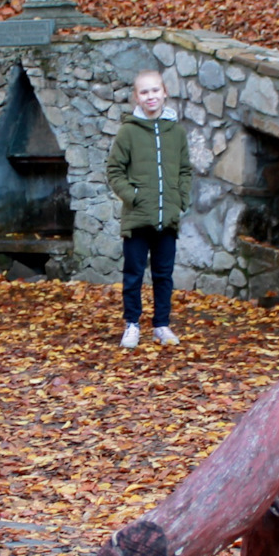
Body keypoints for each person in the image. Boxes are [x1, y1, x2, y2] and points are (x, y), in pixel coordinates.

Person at [106, 69, 193, 348]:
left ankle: (161, 325)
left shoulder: (176, 132)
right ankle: (132, 324)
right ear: (136, 97)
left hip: (167, 218)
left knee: (163, 274)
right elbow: (114, 170)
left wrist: (180, 199)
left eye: (155, 90)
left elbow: (184, 170)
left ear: (164, 92)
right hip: (137, 218)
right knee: (133, 273)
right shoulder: (128, 131)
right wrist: (132, 196)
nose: (151, 96)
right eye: (144, 92)